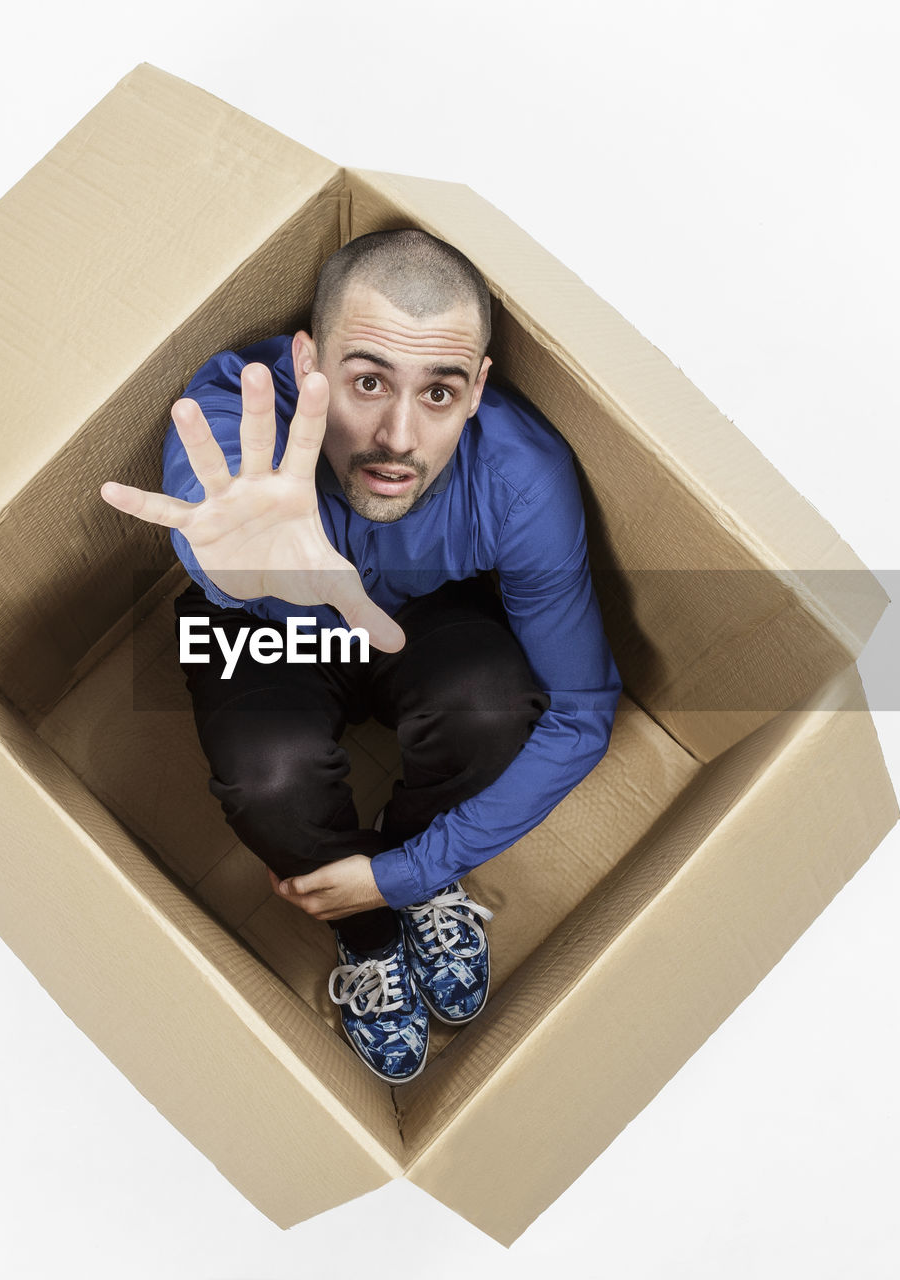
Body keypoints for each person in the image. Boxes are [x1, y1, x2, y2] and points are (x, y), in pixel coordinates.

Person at [100, 228, 621, 1084]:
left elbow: (582, 712)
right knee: (270, 775)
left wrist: (406, 868)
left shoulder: (522, 481)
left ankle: (402, 893)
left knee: (494, 704)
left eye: (441, 392)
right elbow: (215, 503)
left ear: (479, 388)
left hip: (422, 624)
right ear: (310, 360)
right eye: (369, 381)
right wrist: (236, 577)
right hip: (262, 624)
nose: (398, 438)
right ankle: (366, 934)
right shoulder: (240, 413)